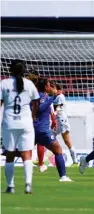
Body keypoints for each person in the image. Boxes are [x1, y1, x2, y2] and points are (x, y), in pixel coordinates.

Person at [1, 60, 39, 194]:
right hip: (26, 123)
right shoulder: (29, 84)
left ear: (10, 70)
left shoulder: (4, 83)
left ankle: (10, 186)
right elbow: (36, 102)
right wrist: (33, 116)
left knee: (10, 155)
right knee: (27, 154)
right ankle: (28, 185)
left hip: (9, 123)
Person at [34, 78, 72, 181]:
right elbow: (41, 108)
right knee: (58, 150)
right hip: (41, 130)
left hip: (35, 129)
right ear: (46, 87)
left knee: (22, 152)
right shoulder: (42, 96)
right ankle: (63, 176)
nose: (51, 87)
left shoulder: (40, 95)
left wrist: (53, 119)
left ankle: (8, 152)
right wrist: (53, 97)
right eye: (49, 85)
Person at [53, 83, 78, 166]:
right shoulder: (55, 97)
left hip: (61, 121)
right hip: (58, 120)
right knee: (50, 138)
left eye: (54, 89)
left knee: (67, 141)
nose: (53, 90)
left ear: (59, 90)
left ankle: (75, 161)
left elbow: (58, 108)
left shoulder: (60, 97)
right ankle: (42, 159)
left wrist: (54, 113)